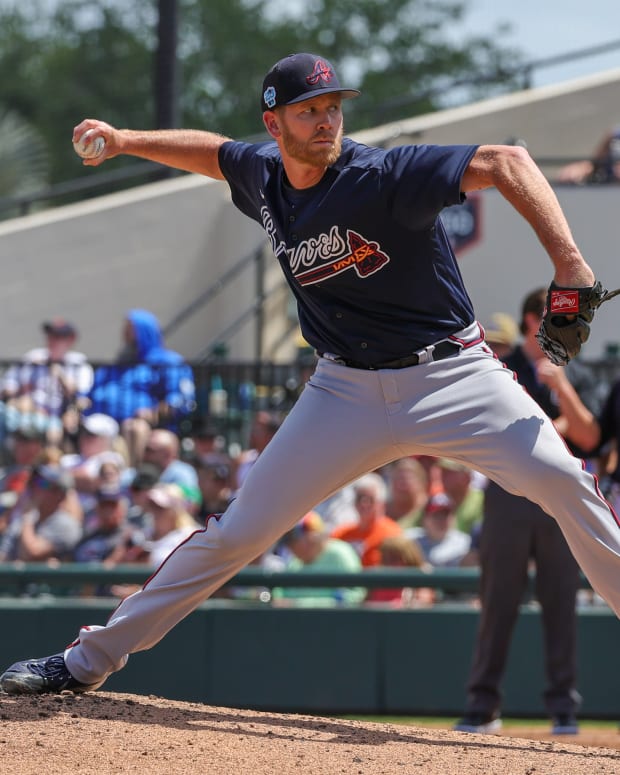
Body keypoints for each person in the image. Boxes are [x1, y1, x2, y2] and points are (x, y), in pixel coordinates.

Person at [2, 51, 620, 697]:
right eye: (309, 111)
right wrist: (127, 140)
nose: (327, 121)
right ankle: (85, 661)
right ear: (275, 125)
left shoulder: (383, 173)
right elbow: (212, 152)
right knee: (236, 532)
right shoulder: (263, 174)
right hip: (342, 390)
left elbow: (508, 162)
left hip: (452, 375)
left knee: (565, 484)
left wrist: (571, 267)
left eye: (333, 107)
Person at [454, 287, 603, 736]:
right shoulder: (499, 367)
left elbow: (590, 436)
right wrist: (552, 428)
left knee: (561, 601)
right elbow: (494, 431)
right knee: (498, 601)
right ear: (530, 321)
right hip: (508, 495)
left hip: (561, 496)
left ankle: (563, 708)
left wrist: (559, 388)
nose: (565, 326)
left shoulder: (576, 371)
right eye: (554, 317)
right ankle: (482, 706)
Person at [85, 309, 196, 465]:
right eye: (125, 330)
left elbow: (180, 400)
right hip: (100, 423)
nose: (125, 335)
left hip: (143, 425)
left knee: (133, 428)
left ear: (145, 332)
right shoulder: (118, 364)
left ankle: (131, 477)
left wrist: (153, 413)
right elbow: (89, 393)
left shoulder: (168, 363)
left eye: (130, 330)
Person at [0, 318, 93, 447]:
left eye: (58, 337)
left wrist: (58, 372)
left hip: (56, 417)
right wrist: (16, 399)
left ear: (70, 340)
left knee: (52, 431)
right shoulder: (33, 357)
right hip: (25, 413)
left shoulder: (79, 363)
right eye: (50, 335)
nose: (52, 340)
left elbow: (81, 395)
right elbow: (8, 385)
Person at [272, 510, 365, 606]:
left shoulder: (341, 554)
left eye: (293, 540)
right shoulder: (294, 564)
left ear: (311, 536)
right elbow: (279, 595)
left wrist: (299, 605)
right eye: (288, 542)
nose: (290, 547)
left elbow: (355, 596)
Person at [0, 464, 82, 563]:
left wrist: (27, 518)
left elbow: (31, 553)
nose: (34, 487)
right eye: (34, 482)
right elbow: (3, 555)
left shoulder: (67, 525)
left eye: (42, 483)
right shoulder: (24, 518)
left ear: (59, 494)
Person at [331, 473, 403, 567]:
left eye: (370, 499)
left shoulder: (392, 534)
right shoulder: (340, 534)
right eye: (360, 498)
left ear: (381, 502)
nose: (364, 503)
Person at [405, 491, 471, 568]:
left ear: (453, 518)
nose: (441, 520)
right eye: (436, 515)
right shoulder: (410, 541)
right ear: (424, 519)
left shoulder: (465, 544)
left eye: (445, 515)